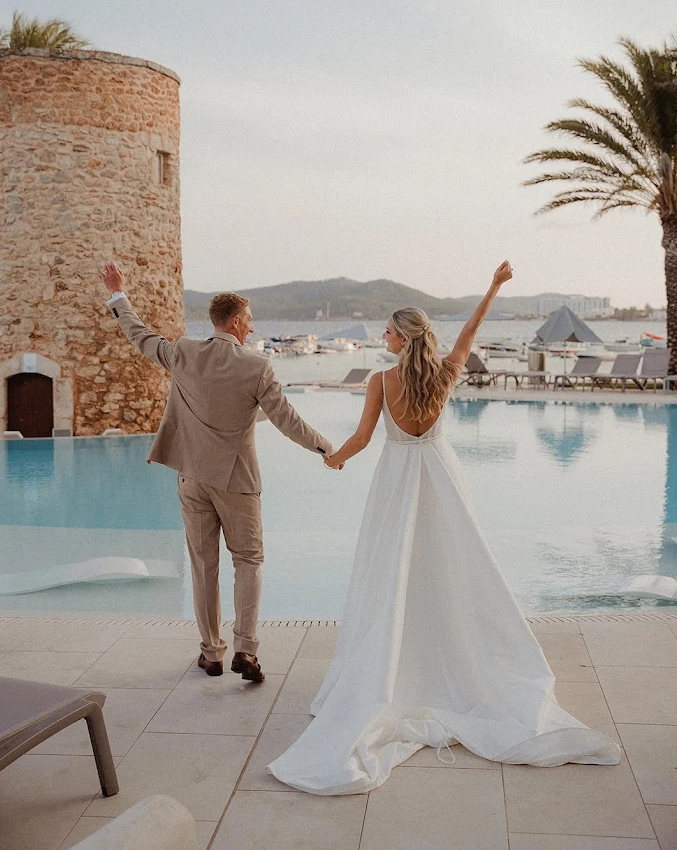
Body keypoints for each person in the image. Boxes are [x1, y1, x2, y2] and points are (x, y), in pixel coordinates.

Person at [267, 261, 621, 794]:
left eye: (386, 330)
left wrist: (333, 459)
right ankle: (450, 662)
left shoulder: (380, 382)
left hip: (396, 483)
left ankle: (392, 668)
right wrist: (495, 287)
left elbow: (362, 441)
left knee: (392, 572)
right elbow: (471, 331)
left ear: (402, 337)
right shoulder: (444, 373)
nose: (382, 336)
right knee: (450, 567)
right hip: (440, 478)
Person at [101, 262, 338, 683]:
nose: (251, 327)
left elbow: (139, 336)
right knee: (248, 560)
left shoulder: (183, 353)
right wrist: (324, 446)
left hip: (191, 478)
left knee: (203, 565)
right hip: (237, 481)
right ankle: (245, 650)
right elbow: (286, 420)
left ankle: (211, 654)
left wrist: (119, 295)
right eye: (248, 320)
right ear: (234, 321)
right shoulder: (256, 367)